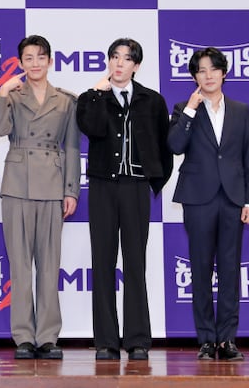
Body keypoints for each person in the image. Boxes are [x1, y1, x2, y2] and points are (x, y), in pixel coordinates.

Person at [76, 38, 173, 361]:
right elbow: (89, 127)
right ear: (108, 61)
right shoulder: (92, 99)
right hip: (102, 187)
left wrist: (153, 179)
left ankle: (137, 340)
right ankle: (105, 341)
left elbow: (164, 146)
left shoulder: (152, 100)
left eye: (127, 58)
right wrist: (96, 93)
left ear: (136, 65)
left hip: (135, 188)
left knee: (135, 263)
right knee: (103, 262)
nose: (119, 63)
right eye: (114, 57)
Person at [0, 35, 80, 360]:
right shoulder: (12, 95)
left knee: (50, 264)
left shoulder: (66, 100)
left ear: (50, 61)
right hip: (18, 184)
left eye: (41, 57)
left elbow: (72, 147)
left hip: (53, 185)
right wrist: (2, 92)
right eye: (29, 58)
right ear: (21, 63)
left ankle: (48, 336)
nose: (35, 63)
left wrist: (71, 190)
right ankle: (24, 336)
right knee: (20, 266)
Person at [168, 47, 249, 361]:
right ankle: (206, 339)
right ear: (194, 76)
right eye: (201, 70)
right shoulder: (183, 109)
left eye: (213, 69)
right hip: (198, 199)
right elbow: (175, 145)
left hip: (233, 198)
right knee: (201, 268)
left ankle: (227, 339)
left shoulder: (240, 110)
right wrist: (191, 111)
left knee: (231, 270)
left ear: (223, 73)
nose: (207, 76)